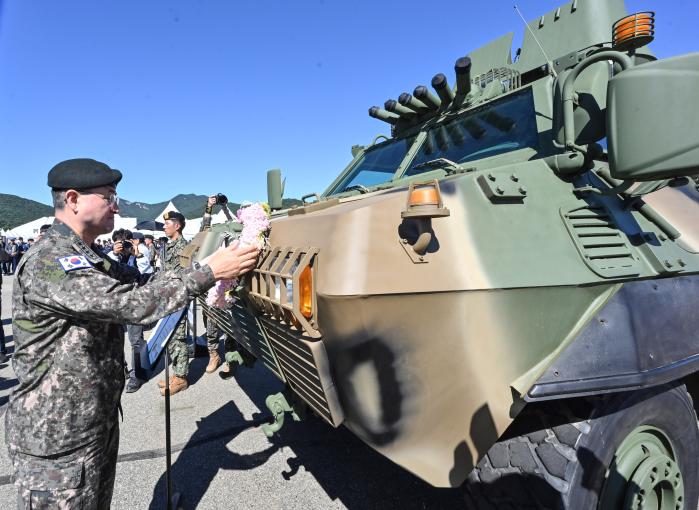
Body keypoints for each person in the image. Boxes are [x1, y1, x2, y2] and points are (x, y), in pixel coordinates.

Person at [5, 158, 259, 509]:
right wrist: (209, 273)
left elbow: (143, 283)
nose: (117, 204)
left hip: (90, 422)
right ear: (74, 199)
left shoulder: (89, 254)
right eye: (109, 196)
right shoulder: (51, 261)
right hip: (57, 437)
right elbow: (133, 304)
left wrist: (210, 260)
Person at [157, 210, 193, 395]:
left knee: (178, 337)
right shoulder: (170, 246)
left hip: (177, 299)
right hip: (167, 298)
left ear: (177, 226)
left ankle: (181, 377)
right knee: (170, 337)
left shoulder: (183, 247)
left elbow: (181, 276)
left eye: (167, 224)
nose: (164, 226)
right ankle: (177, 372)